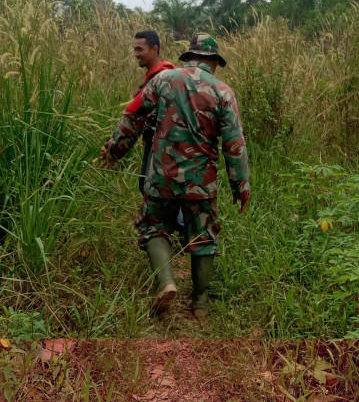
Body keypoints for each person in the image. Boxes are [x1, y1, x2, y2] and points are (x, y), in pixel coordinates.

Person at [101, 34, 250, 318]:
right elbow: (234, 144)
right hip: (200, 182)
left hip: (161, 177)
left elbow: (133, 115)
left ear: (189, 57)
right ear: (213, 62)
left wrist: (114, 150)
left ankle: (166, 282)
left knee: (153, 226)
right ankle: (200, 303)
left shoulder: (162, 80)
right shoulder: (223, 91)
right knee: (203, 235)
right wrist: (240, 186)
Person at [100, 30, 177, 195]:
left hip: (158, 145)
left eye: (140, 49)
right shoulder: (171, 75)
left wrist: (112, 149)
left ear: (154, 49)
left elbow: (134, 116)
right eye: (135, 49)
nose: (136, 54)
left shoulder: (158, 79)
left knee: (150, 191)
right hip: (174, 146)